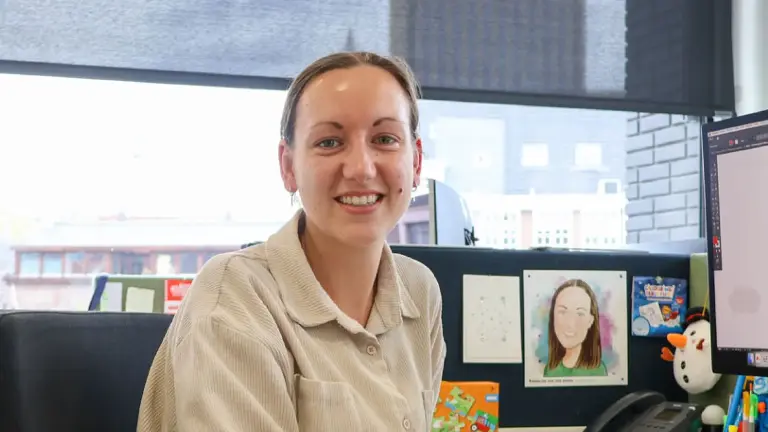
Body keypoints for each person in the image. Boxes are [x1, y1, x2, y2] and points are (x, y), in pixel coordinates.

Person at [137, 51, 447, 431]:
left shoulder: (419, 291)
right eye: (329, 142)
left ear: (415, 163)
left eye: (385, 139)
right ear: (288, 166)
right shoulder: (234, 299)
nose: (361, 169)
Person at [544, 278, 607, 377]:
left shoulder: (598, 371)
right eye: (563, 312)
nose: (570, 323)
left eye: (580, 314)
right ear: (553, 316)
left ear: (590, 321)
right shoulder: (550, 370)